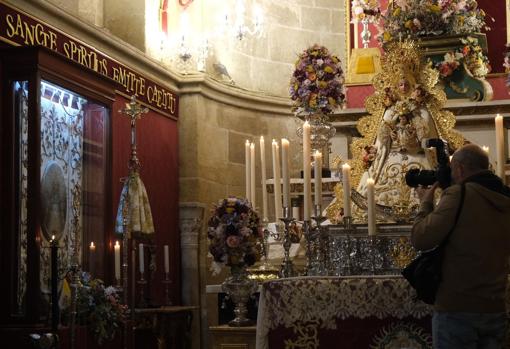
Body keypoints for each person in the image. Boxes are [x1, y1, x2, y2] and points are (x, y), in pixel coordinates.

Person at [412, 144, 510, 348]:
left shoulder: (460, 194)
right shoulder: (505, 196)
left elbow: (421, 238)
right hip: (495, 306)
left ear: (460, 169)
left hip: (458, 309)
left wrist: (425, 204)